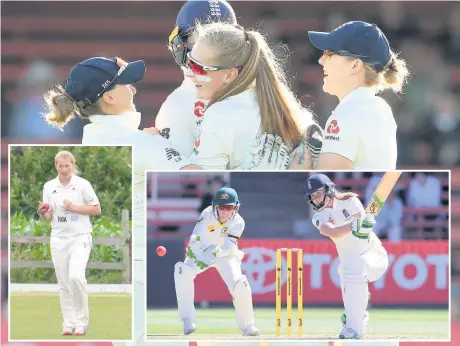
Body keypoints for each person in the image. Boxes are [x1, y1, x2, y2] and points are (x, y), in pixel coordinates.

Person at [185, 21, 323, 169]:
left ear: (229, 75)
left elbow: (204, 183)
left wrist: (158, 147)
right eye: (189, 61)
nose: (189, 73)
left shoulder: (219, 115)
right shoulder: (275, 98)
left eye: (198, 68)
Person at [307, 21, 410, 169]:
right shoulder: (380, 107)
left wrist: (298, 171)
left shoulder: (347, 114)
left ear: (355, 65)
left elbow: (329, 186)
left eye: (329, 53)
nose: (321, 60)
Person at [305, 174, 389, 339]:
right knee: (352, 269)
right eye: (312, 196)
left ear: (329, 189)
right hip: (350, 264)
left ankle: (355, 316)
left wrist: (364, 224)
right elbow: (333, 232)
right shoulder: (318, 216)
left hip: (375, 256)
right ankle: (353, 322)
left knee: (355, 269)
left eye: (318, 193)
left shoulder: (350, 200)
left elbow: (362, 224)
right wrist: (354, 224)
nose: (315, 199)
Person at [174, 187, 260, 336]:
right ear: (215, 206)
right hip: (202, 251)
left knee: (240, 284)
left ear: (236, 207)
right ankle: (188, 320)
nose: (225, 212)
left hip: (225, 255)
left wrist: (214, 253)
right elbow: (195, 237)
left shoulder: (239, 222)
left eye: (229, 207)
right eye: (221, 207)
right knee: (182, 271)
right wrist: (197, 252)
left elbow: (227, 247)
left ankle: (247, 326)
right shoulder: (207, 214)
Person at [158, 0, 238, 157]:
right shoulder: (177, 107)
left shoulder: (255, 89)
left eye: (223, 39)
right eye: (205, 39)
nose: (214, 49)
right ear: (181, 45)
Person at [37, 151, 101, 336]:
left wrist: (74, 208)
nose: (64, 169)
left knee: (76, 278)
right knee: (64, 283)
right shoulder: (49, 186)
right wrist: (43, 211)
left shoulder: (82, 185)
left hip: (80, 237)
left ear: (73, 165)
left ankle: (82, 323)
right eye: (60, 165)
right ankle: (68, 323)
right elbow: (49, 216)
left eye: (67, 165)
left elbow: (96, 209)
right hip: (58, 238)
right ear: (56, 165)